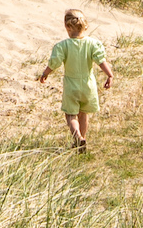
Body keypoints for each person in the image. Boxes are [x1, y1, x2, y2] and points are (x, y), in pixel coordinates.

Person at [39, 9, 111, 152]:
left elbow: (54, 63)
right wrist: (110, 75)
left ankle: (77, 137)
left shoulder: (63, 46)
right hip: (88, 85)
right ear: (84, 25)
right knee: (83, 114)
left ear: (67, 27)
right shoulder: (92, 44)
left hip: (71, 86)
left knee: (71, 115)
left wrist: (45, 73)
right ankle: (82, 139)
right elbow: (100, 60)